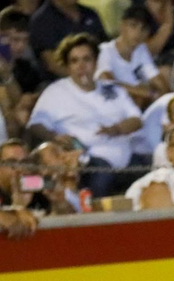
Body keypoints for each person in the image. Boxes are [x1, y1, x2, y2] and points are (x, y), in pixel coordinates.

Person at [28, 34, 147, 196]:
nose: (81, 66)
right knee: (100, 172)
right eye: (74, 61)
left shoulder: (112, 88)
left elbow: (137, 120)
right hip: (85, 160)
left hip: (125, 158)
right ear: (67, 65)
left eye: (86, 59)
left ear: (96, 62)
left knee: (152, 170)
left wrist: (116, 129)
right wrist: (53, 136)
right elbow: (35, 125)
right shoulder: (55, 92)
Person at [99, 5, 171, 108]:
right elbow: (107, 82)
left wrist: (166, 98)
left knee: (165, 74)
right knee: (137, 97)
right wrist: (144, 92)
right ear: (121, 26)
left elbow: (157, 80)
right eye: (133, 26)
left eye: (143, 29)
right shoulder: (105, 50)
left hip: (138, 103)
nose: (138, 33)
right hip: (111, 104)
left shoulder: (141, 49)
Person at [28, 0, 107, 76]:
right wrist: (85, 77)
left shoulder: (90, 13)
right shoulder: (41, 20)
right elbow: (52, 64)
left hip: (97, 76)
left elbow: (104, 48)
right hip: (58, 82)